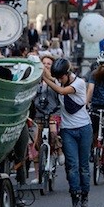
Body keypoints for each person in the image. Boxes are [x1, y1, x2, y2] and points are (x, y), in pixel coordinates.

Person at [42, 58, 92, 207]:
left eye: (61, 77)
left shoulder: (79, 83)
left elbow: (62, 91)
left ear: (68, 73)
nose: (59, 80)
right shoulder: (59, 80)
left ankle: (84, 194)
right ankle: (75, 196)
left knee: (83, 166)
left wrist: (45, 79)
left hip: (84, 128)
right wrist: (40, 68)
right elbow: (52, 79)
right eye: (58, 78)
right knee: (72, 166)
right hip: (67, 129)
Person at [31, 54, 63, 184]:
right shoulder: (35, 80)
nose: (45, 66)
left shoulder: (55, 80)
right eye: (43, 63)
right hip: (38, 114)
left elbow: (54, 82)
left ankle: (59, 150)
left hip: (53, 112)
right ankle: (38, 175)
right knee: (36, 144)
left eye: (48, 64)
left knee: (53, 131)